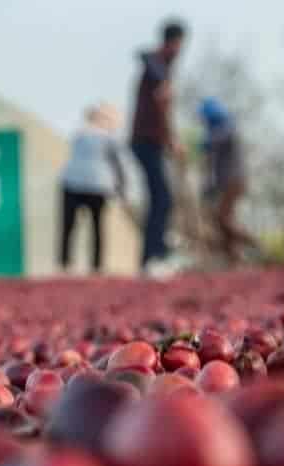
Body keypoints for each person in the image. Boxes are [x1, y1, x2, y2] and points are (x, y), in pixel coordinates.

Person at [130, 19, 187, 276]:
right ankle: (154, 257)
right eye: (179, 44)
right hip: (145, 140)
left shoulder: (162, 66)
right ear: (174, 42)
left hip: (151, 141)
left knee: (160, 198)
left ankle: (151, 256)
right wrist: (172, 139)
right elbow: (162, 102)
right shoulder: (157, 64)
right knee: (162, 198)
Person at [58, 103, 127, 273]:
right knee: (96, 227)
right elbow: (118, 164)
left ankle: (66, 263)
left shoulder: (78, 134)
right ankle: (95, 266)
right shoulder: (107, 137)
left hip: (74, 183)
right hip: (96, 185)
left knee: (69, 226)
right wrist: (122, 187)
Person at [198, 97, 260, 262]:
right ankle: (234, 258)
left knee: (222, 218)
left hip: (234, 181)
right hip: (226, 183)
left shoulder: (226, 128)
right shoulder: (219, 131)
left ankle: (254, 243)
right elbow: (210, 162)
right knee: (222, 221)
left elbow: (210, 143)